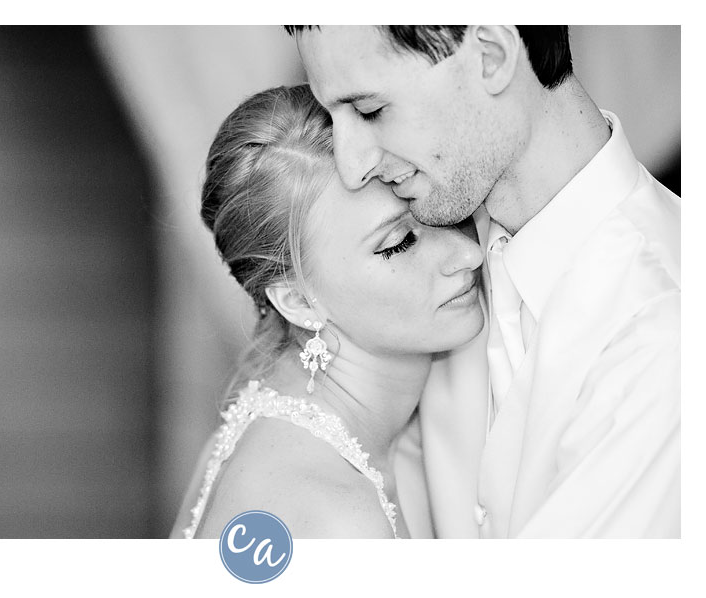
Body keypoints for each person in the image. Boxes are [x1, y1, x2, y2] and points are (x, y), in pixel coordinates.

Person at [286, 25, 680, 538]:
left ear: (490, 56)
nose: (350, 164)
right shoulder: (431, 261)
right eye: (331, 117)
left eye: (369, 111)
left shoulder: (662, 336)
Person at [170, 84, 485, 539]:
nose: (467, 254)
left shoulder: (262, 435)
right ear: (298, 301)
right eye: (397, 244)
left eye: (438, 211)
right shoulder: (337, 516)